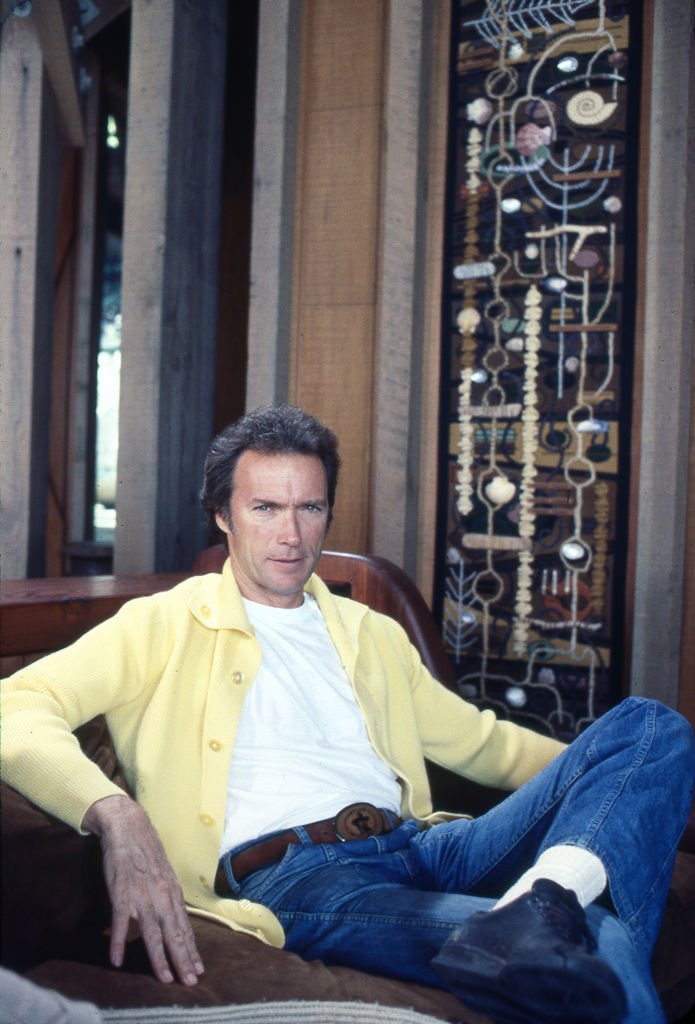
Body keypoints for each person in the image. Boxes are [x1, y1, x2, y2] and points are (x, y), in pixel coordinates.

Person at [2, 404, 693, 1024]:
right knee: (598, 945)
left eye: (310, 508)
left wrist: (622, 781)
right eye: (265, 508)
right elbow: (15, 706)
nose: (291, 534)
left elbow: (486, 747)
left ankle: (546, 898)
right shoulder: (161, 623)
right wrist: (112, 811)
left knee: (651, 727)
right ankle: (550, 912)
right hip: (305, 876)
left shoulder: (368, 632)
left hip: (423, 846)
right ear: (222, 515)